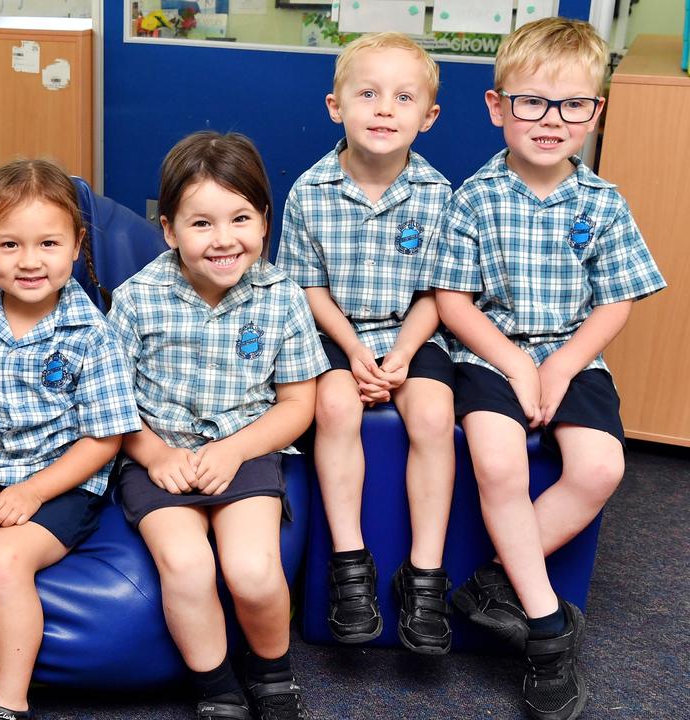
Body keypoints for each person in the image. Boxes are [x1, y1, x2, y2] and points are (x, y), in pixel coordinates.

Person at [432, 17, 665, 720]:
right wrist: (513, 363)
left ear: (596, 113)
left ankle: (492, 583)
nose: (551, 120)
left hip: (572, 354)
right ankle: (547, 630)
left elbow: (618, 299)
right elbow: (452, 301)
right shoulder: (473, 196)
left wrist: (561, 365)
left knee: (600, 466)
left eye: (573, 105)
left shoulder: (602, 202)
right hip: (488, 351)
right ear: (498, 106)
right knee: (498, 461)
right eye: (532, 101)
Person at [110, 131, 324, 720]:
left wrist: (233, 451)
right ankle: (215, 686)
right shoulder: (136, 299)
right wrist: (152, 453)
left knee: (252, 569)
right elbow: (110, 404)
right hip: (160, 452)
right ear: (169, 230)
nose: (224, 239)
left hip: (247, 447)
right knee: (187, 564)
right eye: (201, 223)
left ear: (263, 223)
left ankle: (272, 672)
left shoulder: (282, 297)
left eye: (240, 219)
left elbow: (296, 405)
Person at [0, 159, 140, 720]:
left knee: (2, 562)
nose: (29, 261)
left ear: (75, 245)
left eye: (48, 243)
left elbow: (103, 440)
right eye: (10, 244)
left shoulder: (94, 333)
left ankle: (9, 702)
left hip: (61, 482)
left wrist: (33, 493)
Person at [274, 32, 457, 654]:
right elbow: (309, 288)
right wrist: (354, 353)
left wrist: (402, 356)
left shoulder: (438, 196)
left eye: (403, 98)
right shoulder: (309, 190)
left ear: (427, 117)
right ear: (336, 106)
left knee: (434, 414)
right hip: (335, 332)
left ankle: (424, 574)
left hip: (411, 330)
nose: (384, 110)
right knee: (334, 407)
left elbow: (437, 294)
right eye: (368, 94)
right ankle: (349, 565)